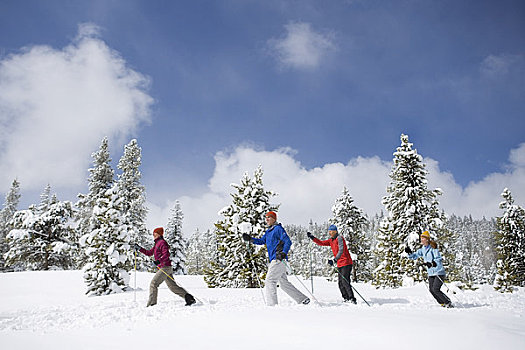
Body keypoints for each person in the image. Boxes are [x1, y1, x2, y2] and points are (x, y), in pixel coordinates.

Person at [242, 211, 310, 306]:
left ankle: (272, 306)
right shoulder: (268, 231)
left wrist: (283, 253)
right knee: (283, 283)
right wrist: (250, 239)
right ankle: (303, 299)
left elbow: (288, 242)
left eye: (269, 217)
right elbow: (261, 241)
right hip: (275, 260)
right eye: (266, 217)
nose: (267, 219)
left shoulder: (278, 229)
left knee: (270, 280)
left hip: (278, 258)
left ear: (274, 219)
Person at [134, 227, 196, 307]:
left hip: (165, 267)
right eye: (153, 234)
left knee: (154, 284)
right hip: (165, 268)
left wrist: (158, 261)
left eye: (155, 233)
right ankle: (189, 298)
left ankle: (151, 305)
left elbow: (166, 255)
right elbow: (149, 253)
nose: (153, 235)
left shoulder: (162, 243)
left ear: (159, 234)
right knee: (173, 287)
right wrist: (140, 249)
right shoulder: (157, 243)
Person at [307, 225, 357, 304]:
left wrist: (334, 260)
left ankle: (352, 298)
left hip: (346, 262)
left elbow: (341, 250)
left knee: (345, 281)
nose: (331, 233)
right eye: (330, 231)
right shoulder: (331, 240)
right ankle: (346, 298)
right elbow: (321, 243)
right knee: (340, 283)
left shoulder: (339, 238)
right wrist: (312, 238)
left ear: (336, 231)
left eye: (332, 231)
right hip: (340, 264)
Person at [405, 230, 453, 308]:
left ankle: (448, 302)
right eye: (421, 238)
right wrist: (410, 253)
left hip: (438, 272)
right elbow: (415, 255)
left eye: (423, 238)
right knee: (431, 290)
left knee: (436, 289)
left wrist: (432, 263)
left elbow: (438, 259)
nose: (421, 240)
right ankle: (442, 303)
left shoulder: (433, 248)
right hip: (431, 273)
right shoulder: (423, 249)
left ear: (427, 239)